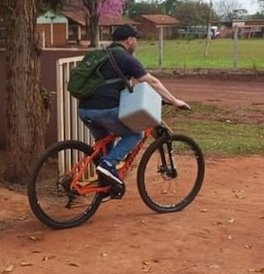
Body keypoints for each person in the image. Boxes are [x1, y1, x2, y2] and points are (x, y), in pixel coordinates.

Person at [77, 24, 189, 188]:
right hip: (104, 110)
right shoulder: (124, 58)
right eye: (136, 39)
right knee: (136, 134)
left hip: (85, 110)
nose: (137, 43)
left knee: (106, 142)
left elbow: (134, 84)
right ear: (129, 40)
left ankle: (105, 184)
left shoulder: (103, 55)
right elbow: (151, 81)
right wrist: (174, 100)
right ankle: (108, 165)